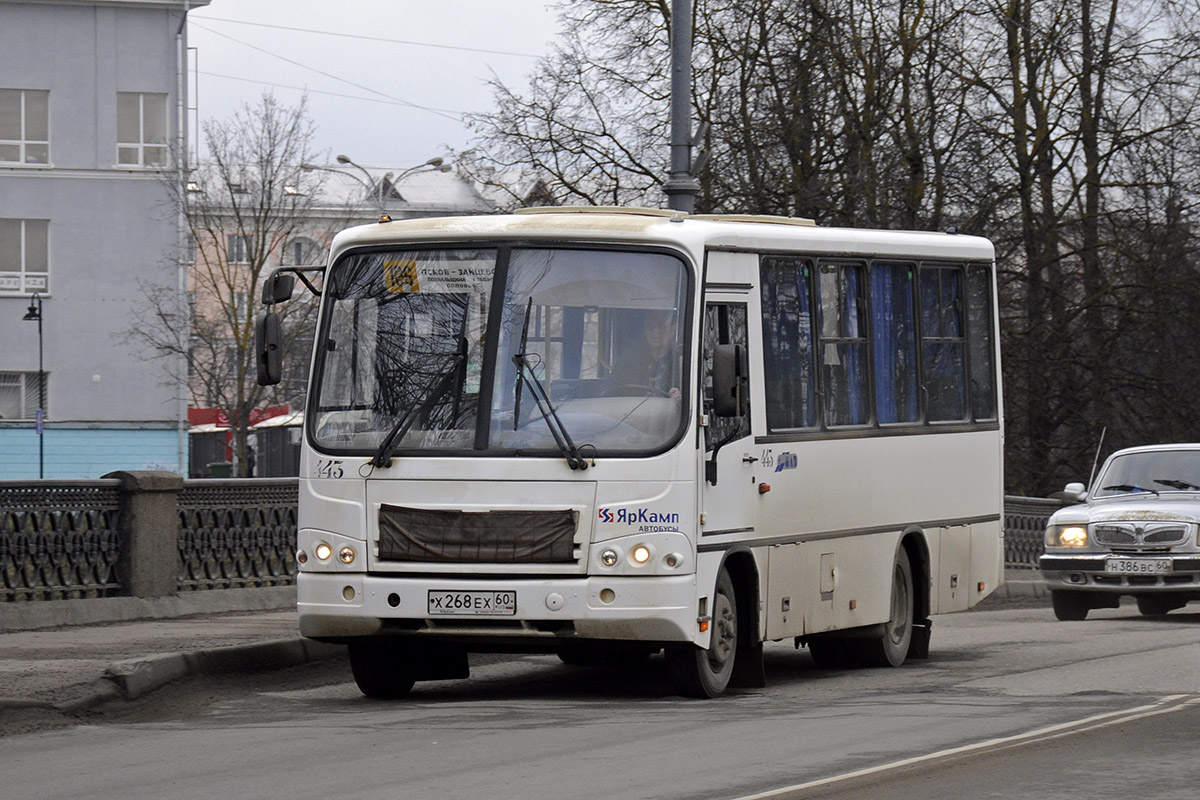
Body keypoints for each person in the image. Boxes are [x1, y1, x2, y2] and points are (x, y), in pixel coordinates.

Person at [609, 309, 681, 398]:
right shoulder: (627, 363)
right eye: (650, 326)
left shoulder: (683, 363)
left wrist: (680, 398)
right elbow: (609, 393)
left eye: (661, 326)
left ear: (673, 329)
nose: (655, 331)